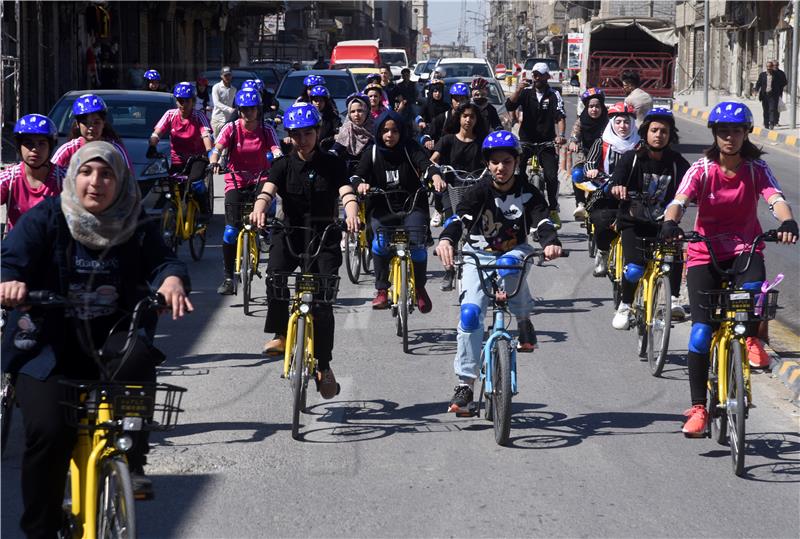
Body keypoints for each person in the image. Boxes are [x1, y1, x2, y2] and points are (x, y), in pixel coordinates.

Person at [0, 141, 193, 537]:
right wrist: (9, 283)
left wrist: (171, 280)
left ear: (120, 181)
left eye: (106, 173)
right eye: (87, 172)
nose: (96, 182)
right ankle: (41, 527)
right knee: (50, 432)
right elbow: (10, 258)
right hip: (46, 344)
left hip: (112, 337)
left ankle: (132, 463)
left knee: (140, 358)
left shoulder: (134, 220)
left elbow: (165, 261)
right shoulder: (48, 218)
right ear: (73, 177)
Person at [658, 102, 797, 436]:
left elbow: (775, 198)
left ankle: (750, 338)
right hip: (705, 254)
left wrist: (787, 220)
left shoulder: (756, 169)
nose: (730, 137)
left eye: (736, 131)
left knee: (752, 295)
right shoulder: (703, 169)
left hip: (745, 251)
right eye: (723, 131)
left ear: (746, 133)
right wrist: (669, 223)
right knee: (702, 332)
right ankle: (698, 408)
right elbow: (679, 201)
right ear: (715, 135)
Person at [435, 131, 562, 412]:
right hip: (477, 255)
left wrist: (551, 242)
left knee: (508, 266)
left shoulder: (528, 192)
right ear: (487, 164)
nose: (500, 168)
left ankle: (524, 319)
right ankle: (465, 385)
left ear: (516, 162)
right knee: (469, 314)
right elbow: (460, 219)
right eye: (494, 162)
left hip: (514, 252)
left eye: (506, 161)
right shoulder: (478, 191)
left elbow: (542, 220)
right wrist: (447, 239)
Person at [248, 103, 359, 398]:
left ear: (317, 132)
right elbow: (267, 191)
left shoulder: (332, 163)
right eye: (296, 134)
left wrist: (351, 212)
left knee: (322, 301)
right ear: (290, 136)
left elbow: (346, 192)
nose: (303, 139)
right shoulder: (283, 164)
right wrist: (259, 209)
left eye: (308, 133)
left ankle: (324, 365)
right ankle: (281, 334)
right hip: (291, 234)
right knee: (274, 276)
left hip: (324, 237)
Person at [352, 109, 442, 313]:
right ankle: (382, 290)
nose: (389, 135)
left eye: (394, 131)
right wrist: (361, 185)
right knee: (380, 243)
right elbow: (357, 177)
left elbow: (426, 165)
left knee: (418, 244)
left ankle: (419, 288)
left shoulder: (410, 148)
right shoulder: (372, 152)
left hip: (412, 205)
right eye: (384, 131)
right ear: (378, 132)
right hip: (382, 207)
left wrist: (435, 176)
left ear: (401, 132)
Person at [607, 108, 690, 329]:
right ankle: (624, 305)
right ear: (645, 133)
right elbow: (615, 181)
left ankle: (673, 300)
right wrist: (617, 188)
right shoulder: (631, 159)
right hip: (633, 222)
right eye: (654, 130)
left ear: (670, 135)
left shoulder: (677, 162)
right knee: (634, 268)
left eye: (664, 131)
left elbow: (692, 185)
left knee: (674, 256)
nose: (659, 135)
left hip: (664, 224)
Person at [210, 89, 282, 295]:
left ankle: (264, 234)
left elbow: (276, 150)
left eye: (251, 109)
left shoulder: (267, 129)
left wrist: (278, 159)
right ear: (239, 110)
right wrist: (214, 162)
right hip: (236, 180)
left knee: (266, 211)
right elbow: (217, 149)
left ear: (258, 110)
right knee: (231, 231)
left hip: (261, 178)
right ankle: (227, 277)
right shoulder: (231, 128)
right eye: (243, 109)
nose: (247, 113)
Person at [430, 102, 489, 290]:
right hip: (452, 190)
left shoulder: (483, 141)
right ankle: (449, 270)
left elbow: (494, 160)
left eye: (472, 116)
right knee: (451, 226)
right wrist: (437, 173)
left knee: (483, 227)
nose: (468, 120)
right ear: (459, 118)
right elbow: (432, 161)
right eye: (465, 116)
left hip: (477, 189)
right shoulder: (447, 140)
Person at [504, 62, 566, 227]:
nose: (536, 77)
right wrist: (517, 89)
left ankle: (552, 209)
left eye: (540, 74)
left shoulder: (554, 95)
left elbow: (560, 116)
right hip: (526, 141)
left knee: (551, 177)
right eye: (534, 74)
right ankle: (519, 206)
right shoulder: (525, 93)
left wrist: (561, 136)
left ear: (547, 77)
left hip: (546, 142)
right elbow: (509, 105)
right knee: (518, 173)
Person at [583, 102, 640, 277]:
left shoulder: (640, 145)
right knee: (601, 220)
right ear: (612, 124)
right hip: (605, 191)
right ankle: (603, 252)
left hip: (633, 195)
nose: (623, 126)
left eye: (627, 122)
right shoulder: (602, 143)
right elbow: (589, 163)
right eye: (619, 122)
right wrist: (591, 171)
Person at [1, 115, 65, 232]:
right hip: (18, 248)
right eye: (28, 143)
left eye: (41, 143)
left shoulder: (64, 179)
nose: (35, 149)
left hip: (55, 248)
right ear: (19, 147)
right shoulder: (9, 178)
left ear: (50, 147)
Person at [51, 94, 134, 175]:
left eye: (96, 123)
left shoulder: (115, 150)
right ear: (77, 124)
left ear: (104, 123)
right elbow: (50, 176)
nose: (91, 128)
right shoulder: (68, 150)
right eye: (85, 123)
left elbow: (129, 181)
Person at [148, 82, 213, 173]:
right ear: (176, 101)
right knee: (169, 182)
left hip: (197, 159)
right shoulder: (170, 114)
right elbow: (157, 133)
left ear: (193, 101)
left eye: (187, 101)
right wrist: (152, 146)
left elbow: (206, 135)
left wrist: (209, 151)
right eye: (180, 101)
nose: (183, 104)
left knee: (194, 181)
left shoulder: (199, 116)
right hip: (177, 159)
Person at [568, 87, 608, 220]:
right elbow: (575, 133)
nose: (594, 109)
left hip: (603, 158)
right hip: (584, 156)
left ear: (602, 107)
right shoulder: (581, 120)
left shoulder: (609, 122)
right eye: (591, 106)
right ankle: (580, 203)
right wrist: (573, 141)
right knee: (577, 174)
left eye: (597, 106)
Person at [330, 93, 375, 170]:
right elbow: (337, 148)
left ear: (367, 111)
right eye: (352, 111)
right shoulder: (346, 129)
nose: (356, 114)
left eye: (360, 110)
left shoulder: (375, 129)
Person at [754, 60, 787, 130]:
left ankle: (772, 123)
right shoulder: (762, 75)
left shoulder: (777, 75)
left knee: (772, 109)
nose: (769, 68)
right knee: (765, 110)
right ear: (766, 67)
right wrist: (756, 90)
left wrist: (778, 89)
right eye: (767, 67)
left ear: (772, 67)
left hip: (773, 95)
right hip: (764, 95)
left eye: (770, 67)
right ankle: (766, 124)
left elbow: (783, 82)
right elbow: (758, 83)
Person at [211, 66, 237, 138]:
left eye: (229, 75)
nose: (227, 77)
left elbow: (234, 104)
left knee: (228, 143)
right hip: (217, 120)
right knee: (217, 144)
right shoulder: (216, 87)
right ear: (221, 76)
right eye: (225, 75)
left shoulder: (234, 89)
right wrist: (229, 109)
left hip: (229, 120)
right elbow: (216, 103)